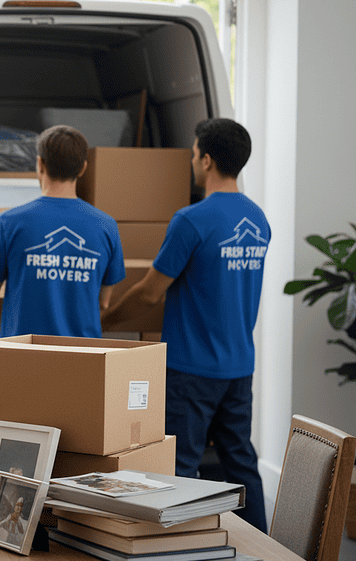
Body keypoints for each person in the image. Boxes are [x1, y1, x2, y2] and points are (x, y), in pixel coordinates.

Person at [101, 118, 269, 532]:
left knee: (181, 465)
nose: (192, 161)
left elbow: (150, 292)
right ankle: (268, 550)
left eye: (194, 154)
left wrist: (104, 320)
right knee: (241, 461)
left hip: (191, 368)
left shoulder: (192, 220)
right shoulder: (258, 220)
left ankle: (182, 550)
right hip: (238, 366)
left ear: (207, 159)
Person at [0, 125, 125, 337]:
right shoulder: (106, 227)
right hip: (84, 357)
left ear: (40, 164)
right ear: (82, 168)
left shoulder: (10, 222)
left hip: (25, 355)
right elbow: (103, 302)